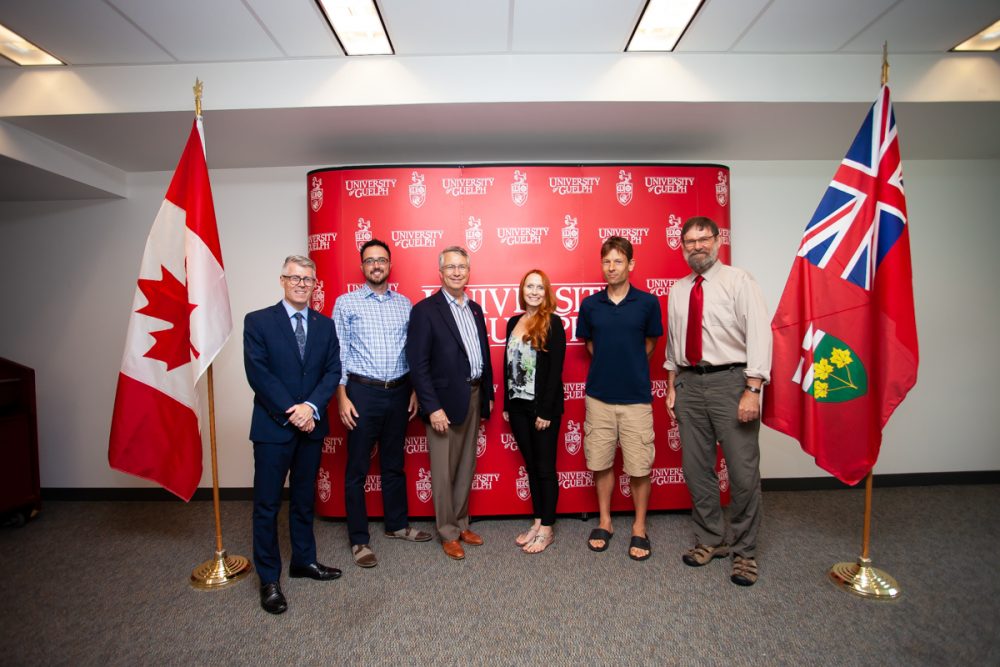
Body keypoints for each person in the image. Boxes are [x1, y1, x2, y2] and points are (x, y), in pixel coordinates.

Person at [664, 216, 771, 586]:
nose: (697, 246)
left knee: (742, 474)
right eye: (689, 241)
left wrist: (752, 389)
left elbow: (759, 335)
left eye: (703, 238)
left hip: (732, 383)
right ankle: (711, 538)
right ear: (682, 246)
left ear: (717, 241)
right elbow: (673, 346)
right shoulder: (679, 290)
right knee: (697, 471)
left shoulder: (739, 281)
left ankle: (744, 551)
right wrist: (672, 385)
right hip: (690, 385)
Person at [243, 255, 343, 615]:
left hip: (311, 426)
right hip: (274, 428)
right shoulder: (257, 322)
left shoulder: (325, 325)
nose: (302, 284)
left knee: (304, 500)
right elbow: (259, 373)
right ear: (282, 280)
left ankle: (304, 560)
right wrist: (294, 411)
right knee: (267, 506)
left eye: (308, 280)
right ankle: (269, 578)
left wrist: (311, 408)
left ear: (315, 285)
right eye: (295, 278)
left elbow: (332, 371)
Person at [333, 239, 432, 569]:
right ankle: (359, 540)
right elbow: (339, 353)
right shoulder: (346, 303)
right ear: (362, 267)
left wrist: (415, 390)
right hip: (362, 392)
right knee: (357, 468)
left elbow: (412, 353)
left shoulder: (405, 304)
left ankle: (397, 525)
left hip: (400, 392)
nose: (376, 265)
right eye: (370, 261)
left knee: (393, 463)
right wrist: (342, 394)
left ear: (390, 265)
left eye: (382, 260)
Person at [576, 236, 663, 561]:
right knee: (600, 462)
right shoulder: (590, 305)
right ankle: (605, 521)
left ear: (631, 264)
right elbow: (590, 345)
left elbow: (651, 342)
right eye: (607, 262)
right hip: (599, 397)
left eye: (618, 261)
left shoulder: (647, 303)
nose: (612, 267)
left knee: (639, 467)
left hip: (636, 398)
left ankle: (639, 527)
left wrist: (630, 364)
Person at [406, 246, 494, 561]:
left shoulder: (475, 309)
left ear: (468, 272)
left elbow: (482, 354)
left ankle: (460, 523)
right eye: (451, 267)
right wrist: (432, 407)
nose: (457, 272)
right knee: (443, 471)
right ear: (441, 272)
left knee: (466, 465)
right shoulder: (426, 310)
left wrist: (489, 394)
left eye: (462, 267)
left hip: (473, 395)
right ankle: (446, 531)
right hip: (442, 402)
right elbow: (418, 365)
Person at [503, 269, 566, 554]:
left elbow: (554, 373)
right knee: (530, 466)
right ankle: (538, 520)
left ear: (546, 292)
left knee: (544, 468)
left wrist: (546, 411)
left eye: (540, 287)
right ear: (522, 289)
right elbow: (508, 366)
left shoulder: (553, 323)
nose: (534, 292)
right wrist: (506, 403)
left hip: (542, 408)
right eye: (530, 286)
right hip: (517, 406)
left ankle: (548, 527)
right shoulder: (513, 322)